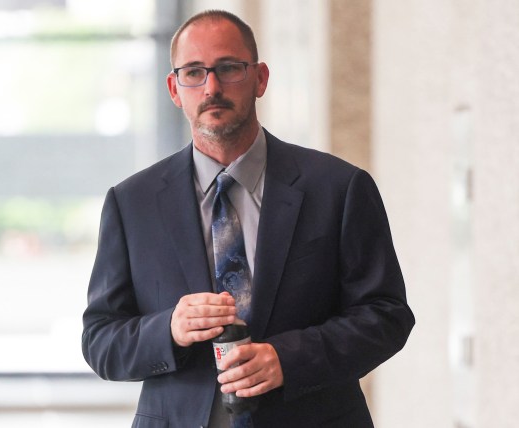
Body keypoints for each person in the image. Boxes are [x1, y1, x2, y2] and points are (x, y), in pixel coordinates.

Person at [82, 9, 415, 428]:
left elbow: (386, 315)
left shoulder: (339, 188)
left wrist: (287, 359)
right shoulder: (131, 203)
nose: (212, 87)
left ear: (260, 78)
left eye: (229, 68)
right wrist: (169, 328)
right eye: (194, 73)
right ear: (173, 88)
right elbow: (100, 341)